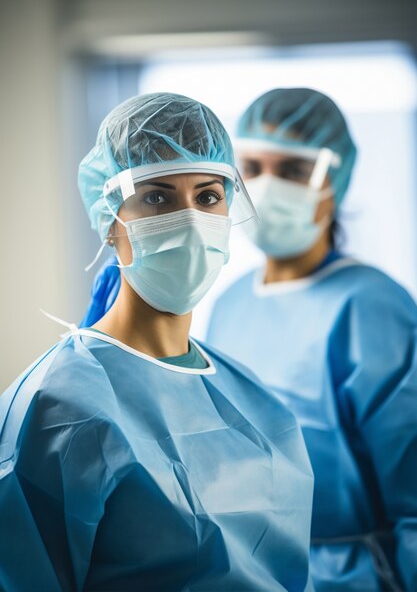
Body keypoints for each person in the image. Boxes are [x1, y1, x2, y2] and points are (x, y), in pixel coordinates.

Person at [0, 93, 314, 592]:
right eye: (157, 197)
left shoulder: (250, 398)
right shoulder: (56, 408)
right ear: (109, 219)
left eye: (208, 196)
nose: (190, 220)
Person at [206, 88, 417, 591]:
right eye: (251, 167)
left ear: (335, 179)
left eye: (294, 170)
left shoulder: (372, 308)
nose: (267, 185)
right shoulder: (230, 303)